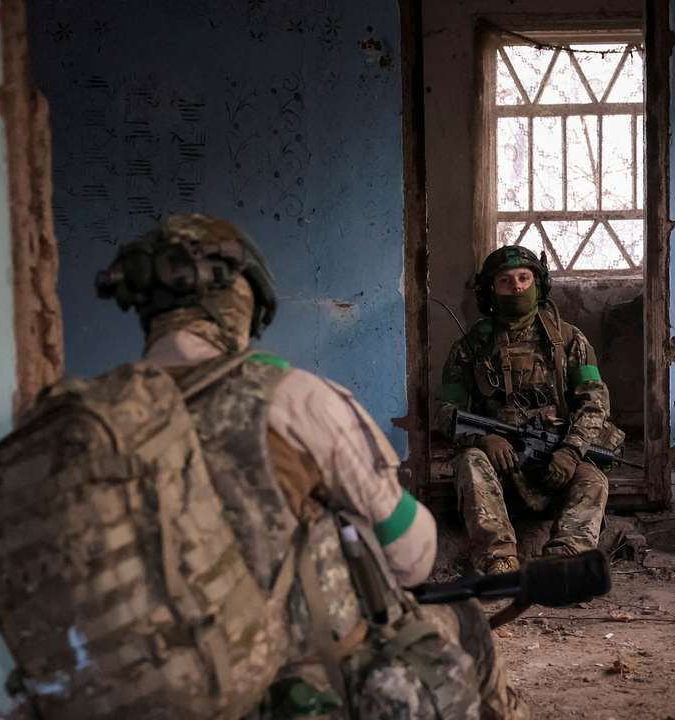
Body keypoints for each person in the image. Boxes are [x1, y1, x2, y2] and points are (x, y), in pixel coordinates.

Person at [98, 214, 527, 719]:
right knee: (464, 617)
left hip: (131, 688)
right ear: (248, 302)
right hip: (274, 684)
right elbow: (411, 557)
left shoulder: (93, 418)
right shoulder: (293, 398)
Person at [436, 246, 617, 575]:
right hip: (501, 466)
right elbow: (445, 410)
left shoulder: (569, 340)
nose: (516, 286)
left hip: (554, 459)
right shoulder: (471, 348)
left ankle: (565, 561)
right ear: (491, 290)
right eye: (505, 281)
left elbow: (595, 402)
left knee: (593, 478)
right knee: (470, 462)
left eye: (524, 278)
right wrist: (483, 438)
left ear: (538, 283)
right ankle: (498, 559)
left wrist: (571, 451)